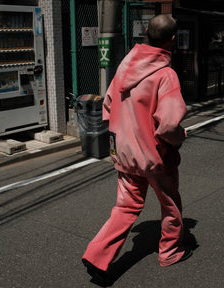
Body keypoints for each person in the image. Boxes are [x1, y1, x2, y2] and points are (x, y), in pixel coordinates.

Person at [82, 14, 191, 285]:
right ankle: (169, 252)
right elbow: (168, 126)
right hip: (155, 157)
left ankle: (97, 255)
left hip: (124, 150)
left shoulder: (125, 64)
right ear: (173, 40)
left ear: (146, 35)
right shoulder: (166, 75)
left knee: (126, 206)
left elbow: (108, 105)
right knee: (170, 205)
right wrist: (180, 137)